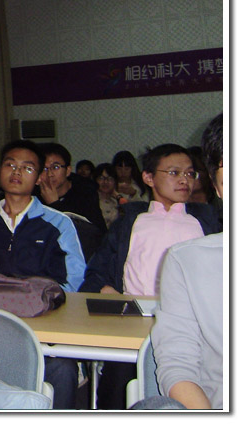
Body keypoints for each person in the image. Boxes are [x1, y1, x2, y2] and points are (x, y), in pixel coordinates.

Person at [80, 143, 220, 409]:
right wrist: (105, 289)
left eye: (190, 174)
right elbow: (97, 271)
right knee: (117, 386)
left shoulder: (207, 222)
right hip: (132, 320)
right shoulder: (129, 222)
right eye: (174, 172)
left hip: (192, 326)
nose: (184, 180)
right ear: (148, 177)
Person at [0, 139, 86, 409]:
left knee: (62, 370)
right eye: (10, 165)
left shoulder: (59, 224)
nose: (17, 172)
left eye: (27, 168)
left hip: (46, 331)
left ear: (39, 177)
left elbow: (73, 281)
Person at [145, 114, 223, 409]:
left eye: (188, 174)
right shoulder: (186, 259)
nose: (183, 180)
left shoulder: (199, 221)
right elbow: (178, 363)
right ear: (218, 187)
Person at [36, 143, 107, 234]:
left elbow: (96, 232)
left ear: (68, 170)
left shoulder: (85, 192)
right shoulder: (32, 194)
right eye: (44, 169)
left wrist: (54, 204)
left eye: (55, 167)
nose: (50, 174)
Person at [93, 163, 126, 229]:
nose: (105, 182)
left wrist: (118, 197)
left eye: (110, 179)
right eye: (101, 178)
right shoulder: (91, 200)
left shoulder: (118, 199)